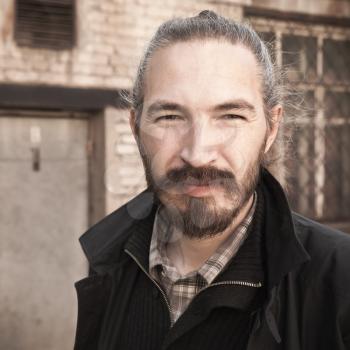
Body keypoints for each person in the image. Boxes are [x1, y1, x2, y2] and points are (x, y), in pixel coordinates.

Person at [73, 11, 350, 350]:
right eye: (170, 116)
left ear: (271, 128)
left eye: (230, 116)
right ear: (135, 128)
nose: (198, 153)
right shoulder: (109, 260)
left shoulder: (340, 280)